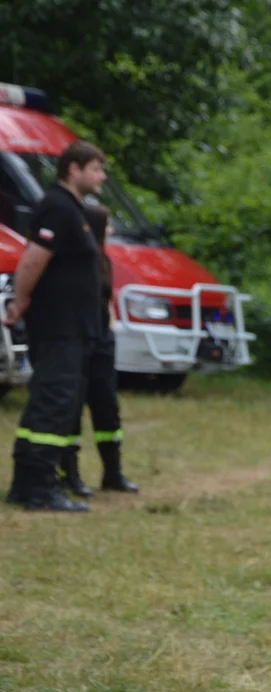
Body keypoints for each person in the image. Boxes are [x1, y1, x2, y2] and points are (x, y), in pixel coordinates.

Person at [5, 140, 107, 512]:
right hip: (57, 326)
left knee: (58, 401)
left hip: (74, 327)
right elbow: (32, 261)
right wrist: (21, 301)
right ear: (73, 169)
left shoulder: (74, 210)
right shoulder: (57, 208)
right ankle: (35, 486)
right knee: (52, 401)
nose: (102, 177)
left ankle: (32, 481)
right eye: (96, 169)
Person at [59, 203, 139, 496]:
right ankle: (69, 474)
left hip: (103, 339)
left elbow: (106, 299)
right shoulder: (80, 261)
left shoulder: (103, 259)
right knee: (73, 408)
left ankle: (113, 473)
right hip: (81, 340)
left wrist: (111, 328)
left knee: (107, 407)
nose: (112, 230)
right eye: (106, 225)